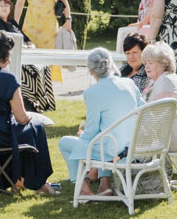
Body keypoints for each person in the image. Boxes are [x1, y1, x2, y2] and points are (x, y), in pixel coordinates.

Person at [0, 31, 56, 193]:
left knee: (28, 129)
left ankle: (15, 180)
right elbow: (21, 118)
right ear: (4, 53)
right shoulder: (8, 78)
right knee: (37, 127)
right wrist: (30, 117)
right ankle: (37, 182)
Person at [58, 49, 141, 196]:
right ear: (111, 65)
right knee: (103, 140)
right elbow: (144, 110)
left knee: (64, 142)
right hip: (133, 146)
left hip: (114, 151)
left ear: (91, 71)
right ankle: (105, 185)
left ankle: (83, 189)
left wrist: (82, 139)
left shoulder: (92, 92)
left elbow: (91, 130)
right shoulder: (129, 83)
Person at [12, 0, 73, 79]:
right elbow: (19, 3)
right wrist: (15, 24)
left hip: (50, 26)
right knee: (30, 56)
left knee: (49, 56)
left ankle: (48, 85)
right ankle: (30, 84)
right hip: (31, 25)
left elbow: (63, 0)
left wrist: (68, 19)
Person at [140, 42, 177, 156]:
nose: (146, 67)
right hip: (169, 133)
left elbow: (153, 113)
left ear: (163, 64)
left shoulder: (166, 81)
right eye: (145, 63)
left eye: (151, 63)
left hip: (170, 138)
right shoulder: (164, 79)